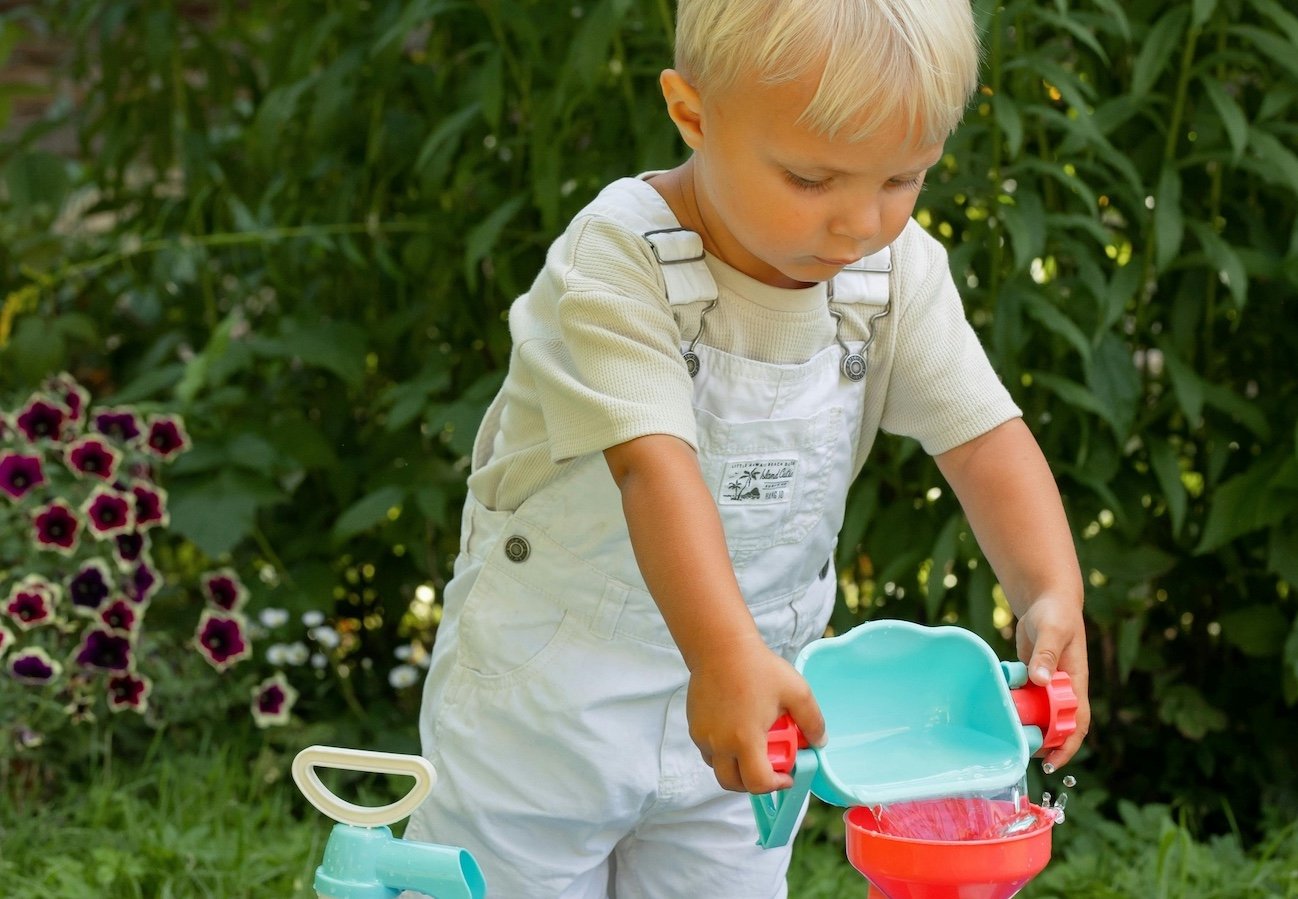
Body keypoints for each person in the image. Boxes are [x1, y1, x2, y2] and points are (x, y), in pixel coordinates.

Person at [403, 0, 1090, 896]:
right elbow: (653, 464)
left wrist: (1050, 588)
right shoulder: (620, 258)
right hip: (553, 694)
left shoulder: (892, 274)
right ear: (693, 114)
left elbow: (982, 436)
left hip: (756, 692)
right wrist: (719, 654)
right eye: (812, 180)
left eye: (903, 178)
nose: (859, 223)